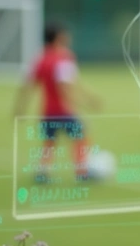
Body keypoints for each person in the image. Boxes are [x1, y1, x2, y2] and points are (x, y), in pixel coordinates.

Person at [14, 23, 101, 183]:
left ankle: (42, 172)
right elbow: (66, 86)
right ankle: (82, 171)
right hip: (64, 110)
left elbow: (27, 86)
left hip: (48, 111)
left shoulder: (40, 59)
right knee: (80, 137)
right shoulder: (63, 58)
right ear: (59, 37)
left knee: (49, 142)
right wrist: (86, 103)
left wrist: (20, 109)